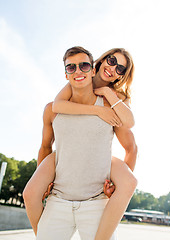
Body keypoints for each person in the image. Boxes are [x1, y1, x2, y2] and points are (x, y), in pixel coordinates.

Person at [23, 47, 137, 240]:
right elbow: (56, 107)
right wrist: (97, 111)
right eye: (111, 61)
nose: (113, 68)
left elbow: (130, 132)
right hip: (63, 167)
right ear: (98, 63)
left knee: (129, 182)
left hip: (97, 169)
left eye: (120, 69)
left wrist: (114, 188)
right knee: (30, 193)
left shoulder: (114, 100)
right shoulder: (73, 85)